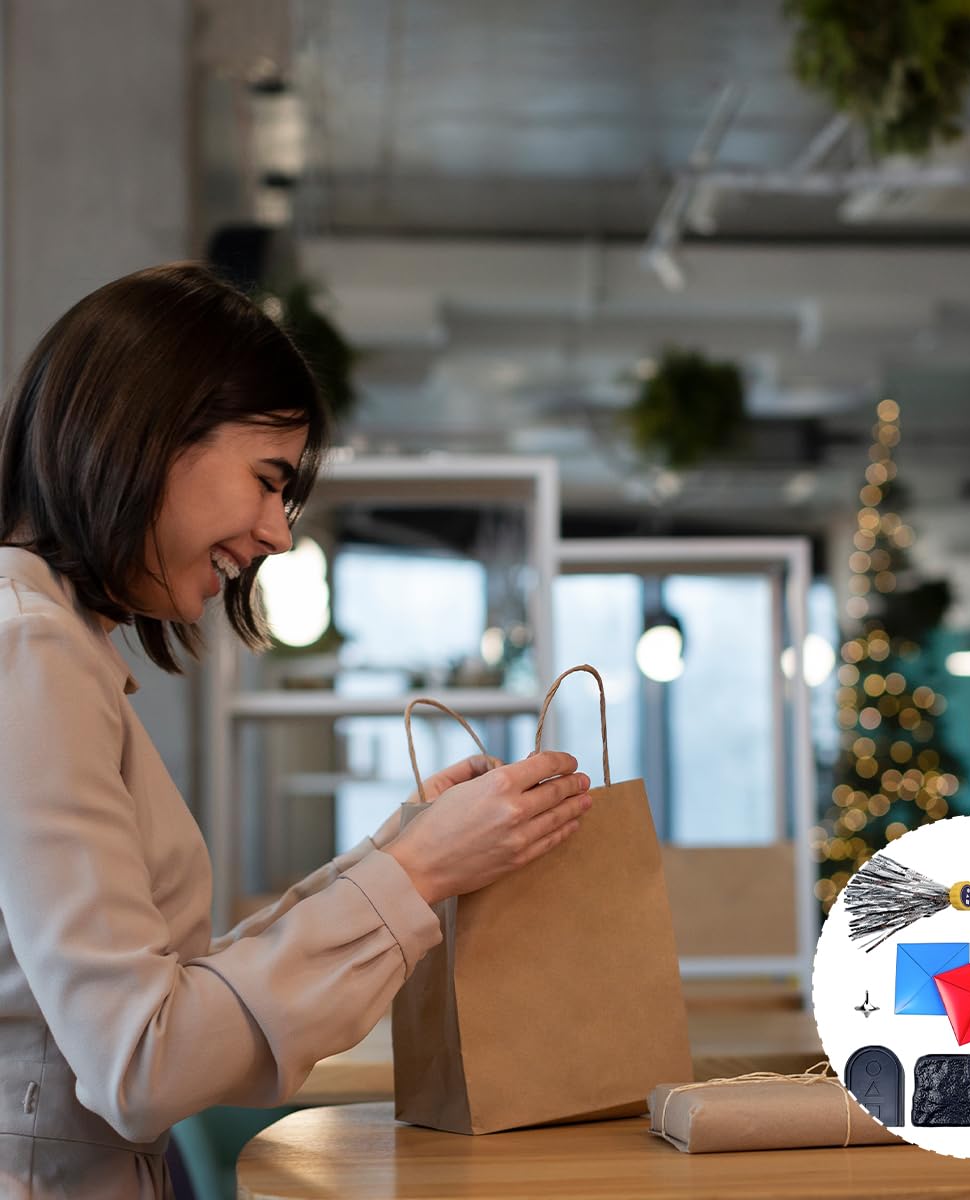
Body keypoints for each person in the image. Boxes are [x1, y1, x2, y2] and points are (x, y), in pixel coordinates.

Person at [0, 263, 593, 1198]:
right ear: (150, 434)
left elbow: (173, 998)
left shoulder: (53, 645)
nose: (277, 533)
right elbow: (141, 1064)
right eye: (268, 480)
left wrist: (394, 853)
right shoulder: (32, 651)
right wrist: (416, 873)